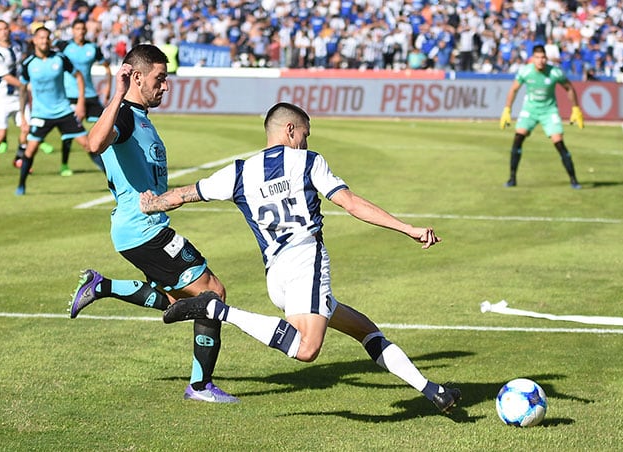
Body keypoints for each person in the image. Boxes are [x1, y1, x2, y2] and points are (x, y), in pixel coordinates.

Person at [139, 102, 461, 413]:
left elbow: (184, 194)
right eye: (305, 134)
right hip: (306, 261)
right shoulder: (307, 161)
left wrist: (152, 203)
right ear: (290, 130)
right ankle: (217, 309)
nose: (307, 141)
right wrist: (407, 228)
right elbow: (350, 203)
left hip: (277, 275)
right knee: (307, 348)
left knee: (364, 329)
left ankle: (433, 391)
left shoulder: (238, 172)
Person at [69, 44, 236, 404]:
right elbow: (94, 142)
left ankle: (103, 286)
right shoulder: (126, 116)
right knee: (213, 294)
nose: (165, 86)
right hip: (144, 230)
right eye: (160, 79)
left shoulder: (139, 117)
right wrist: (117, 94)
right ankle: (201, 386)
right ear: (137, 77)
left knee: (176, 300)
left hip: (140, 228)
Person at [16, 26, 90, 196]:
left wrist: (80, 102)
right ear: (34, 40)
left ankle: (112, 183)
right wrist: (23, 116)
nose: (44, 41)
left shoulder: (59, 58)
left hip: (64, 111)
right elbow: (22, 90)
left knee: (88, 145)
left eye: (47, 38)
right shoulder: (28, 63)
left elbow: (78, 76)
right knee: (31, 149)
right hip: (41, 114)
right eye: (41, 38)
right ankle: (21, 185)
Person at [499, 44, 584, 189]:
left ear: (546, 58)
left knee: (559, 143)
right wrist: (507, 110)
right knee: (518, 138)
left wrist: (576, 109)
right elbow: (513, 89)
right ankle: (512, 178)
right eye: (537, 57)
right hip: (530, 109)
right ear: (532, 59)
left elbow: (569, 88)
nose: (540, 61)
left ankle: (574, 180)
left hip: (549, 110)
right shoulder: (525, 72)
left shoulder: (555, 73)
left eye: (543, 57)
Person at [55, 18, 111, 176]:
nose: (80, 31)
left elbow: (107, 67)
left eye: (82, 29)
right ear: (72, 30)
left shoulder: (92, 48)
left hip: (90, 95)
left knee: (108, 126)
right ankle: (64, 164)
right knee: (70, 132)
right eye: (77, 28)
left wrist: (107, 88)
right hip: (70, 96)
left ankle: (110, 161)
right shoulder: (64, 46)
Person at [0, 20, 28, 177]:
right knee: (0, 134)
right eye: (0, 29)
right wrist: (24, 85)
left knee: (27, 128)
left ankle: (19, 159)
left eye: (5, 28)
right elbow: (5, 76)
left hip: (18, 97)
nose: (3, 32)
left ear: (9, 30)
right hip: (1, 98)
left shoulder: (17, 46)